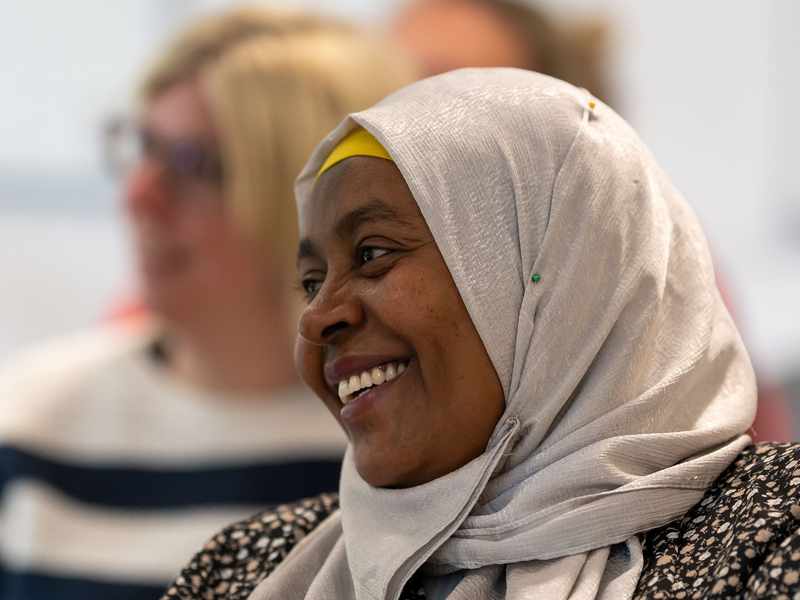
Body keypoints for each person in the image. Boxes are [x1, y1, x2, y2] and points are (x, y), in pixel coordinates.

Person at [163, 69, 800, 600]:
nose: (316, 317)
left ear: (556, 276)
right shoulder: (245, 569)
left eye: (373, 253)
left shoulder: (771, 529)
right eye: (310, 280)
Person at [0, 8, 415, 599]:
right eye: (144, 146)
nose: (140, 195)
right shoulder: (27, 420)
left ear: (316, 207)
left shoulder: (406, 446)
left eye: (194, 164)